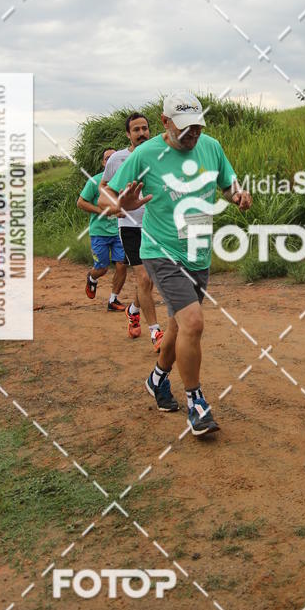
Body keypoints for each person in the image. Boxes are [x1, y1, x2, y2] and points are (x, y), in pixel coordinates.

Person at [108, 92, 252, 436]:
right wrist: (119, 203)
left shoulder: (211, 146)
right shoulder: (144, 154)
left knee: (178, 325)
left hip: (198, 251)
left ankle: (157, 379)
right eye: (185, 129)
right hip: (160, 251)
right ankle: (196, 402)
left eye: (198, 128)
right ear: (165, 122)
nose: (193, 135)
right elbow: (107, 193)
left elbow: (227, 181)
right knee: (194, 322)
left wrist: (237, 194)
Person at [99, 113, 162, 348]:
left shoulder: (158, 154)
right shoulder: (117, 159)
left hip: (156, 225)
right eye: (136, 130)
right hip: (130, 226)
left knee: (149, 279)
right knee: (144, 277)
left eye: (145, 128)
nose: (142, 133)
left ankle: (133, 310)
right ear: (128, 134)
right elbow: (104, 187)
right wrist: (114, 206)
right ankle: (156, 332)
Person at [77, 148, 127, 310]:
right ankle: (92, 278)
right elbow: (81, 202)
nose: (111, 160)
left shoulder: (124, 181)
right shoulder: (95, 182)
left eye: (114, 157)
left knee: (121, 264)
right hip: (99, 232)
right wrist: (101, 211)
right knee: (102, 268)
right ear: (103, 163)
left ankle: (113, 300)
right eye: (107, 158)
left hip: (119, 231)